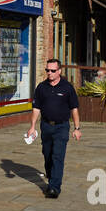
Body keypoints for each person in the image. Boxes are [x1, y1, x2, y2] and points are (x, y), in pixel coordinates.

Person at [27, 57, 82, 199]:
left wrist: (77, 128)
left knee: (58, 156)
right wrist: (32, 127)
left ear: (59, 71)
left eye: (52, 70)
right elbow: (36, 108)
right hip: (46, 126)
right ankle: (52, 177)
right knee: (47, 155)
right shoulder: (41, 87)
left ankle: (54, 187)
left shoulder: (67, 88)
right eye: (47, 70)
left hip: (61, 127)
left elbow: (74, 109)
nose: (49, 73)